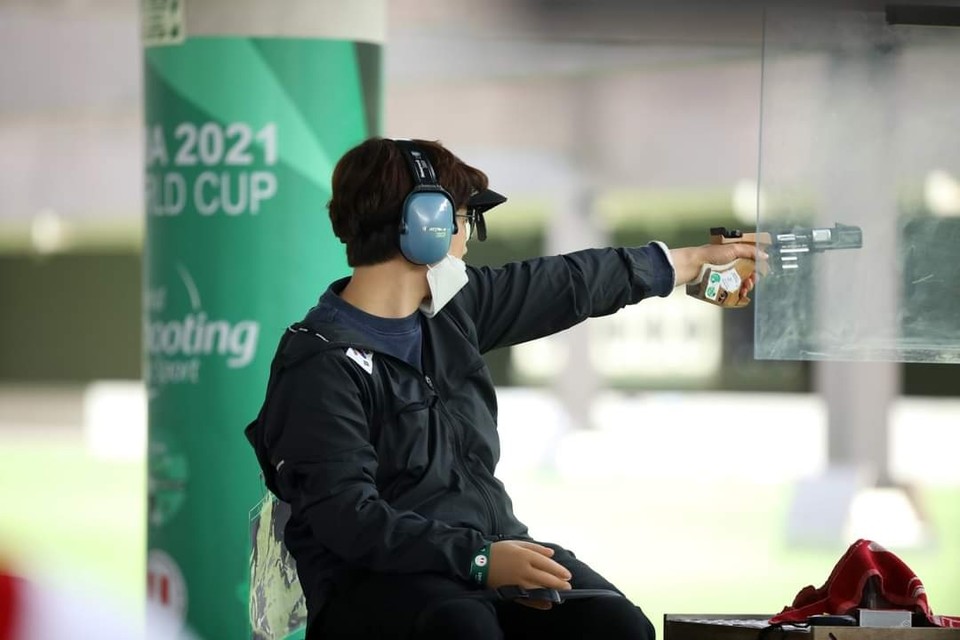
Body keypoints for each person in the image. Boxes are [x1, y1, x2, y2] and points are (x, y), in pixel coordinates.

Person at [245, 137, 762, 639]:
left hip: (486, 553)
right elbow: (349, 518)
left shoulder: (453, 311)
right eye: (467, 217)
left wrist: (692, 262)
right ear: (427, 223)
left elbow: (572, 282)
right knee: (464, 628)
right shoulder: (320, 362)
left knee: (616, 624)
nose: (468, 236)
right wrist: (476, 560)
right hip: (375, 580)